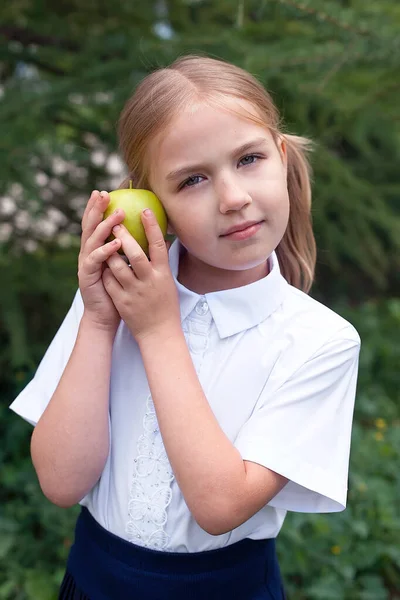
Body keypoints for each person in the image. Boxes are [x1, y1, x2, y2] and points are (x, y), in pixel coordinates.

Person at [9, 55, 361, 600]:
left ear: (281, 156)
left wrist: (156, 330)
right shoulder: (112, 297)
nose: (233, 198)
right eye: (192, 179)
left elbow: (220, 506)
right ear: (154, 206)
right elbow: (60, 482)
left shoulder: (319, 341)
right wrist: (101, 322)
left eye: (248, 159)